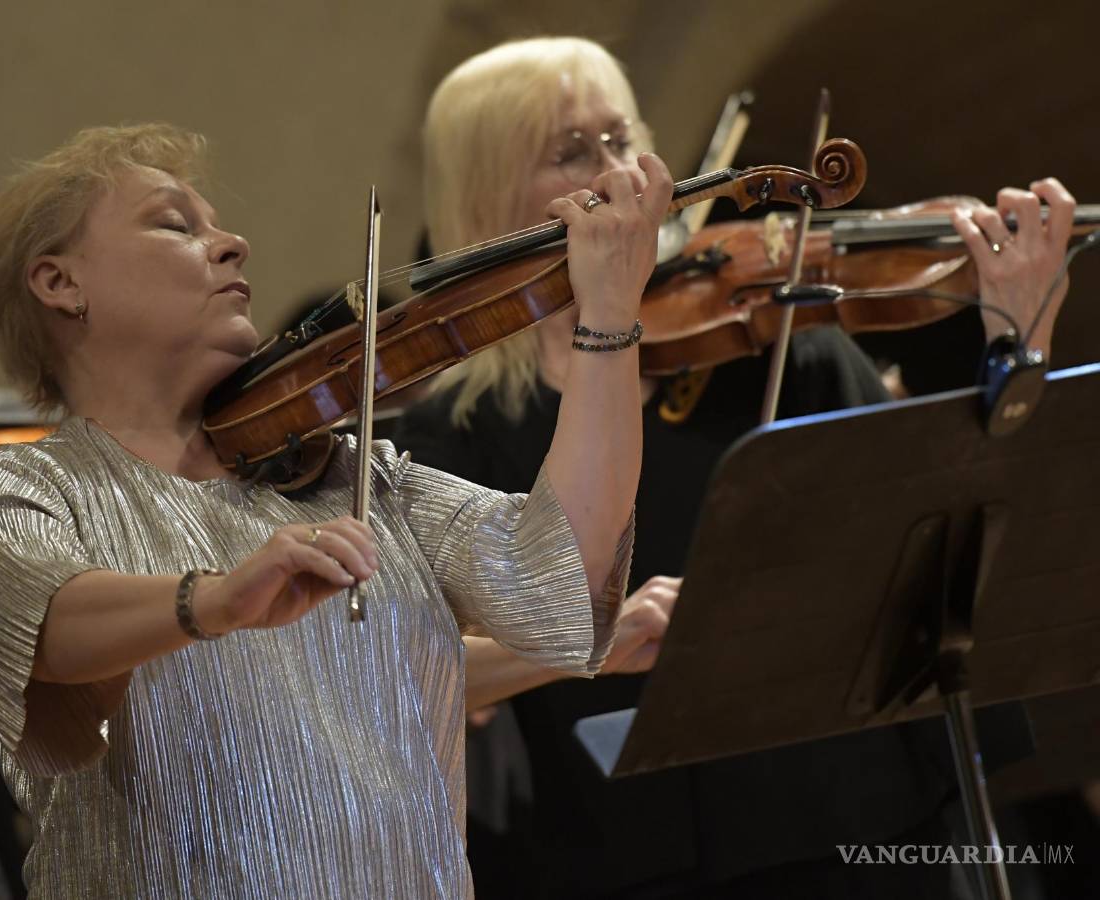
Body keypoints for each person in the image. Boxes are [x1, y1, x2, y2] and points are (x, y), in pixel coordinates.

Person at [391, 37, 1075, 899]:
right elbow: (417, 671)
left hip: (867, 820)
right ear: (488, 199)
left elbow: (956, 530)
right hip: (646, 857)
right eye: (571, 152)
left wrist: (1018, 339)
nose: (620, 172)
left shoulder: (780, 345)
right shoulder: (456, 436)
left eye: (621, 138)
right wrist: (591, 641)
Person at [0, 121, 673, 898]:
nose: (233, 244)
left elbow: (559, 582)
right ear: (60, 283)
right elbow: (46, 626)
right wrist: (215, 599)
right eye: (176, 226)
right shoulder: (23, 487)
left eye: (217, 225)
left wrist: (608, 316)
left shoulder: (354, 475)